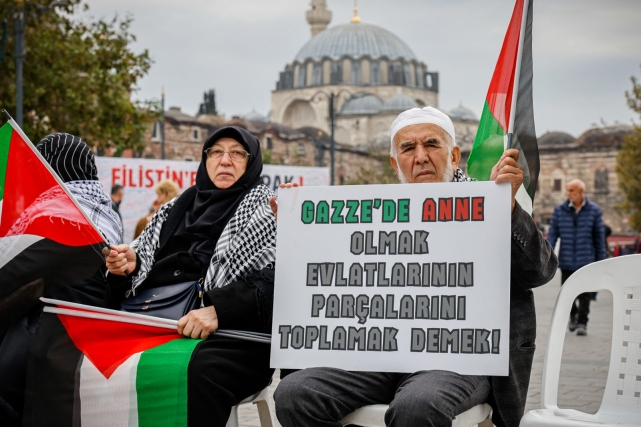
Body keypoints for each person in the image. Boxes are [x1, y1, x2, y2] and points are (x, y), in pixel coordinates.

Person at [273, 107, 558, 427]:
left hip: (455, 361)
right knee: (295, 394)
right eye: (408, 148)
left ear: (454, 156)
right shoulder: (370, 214)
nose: (420, 157)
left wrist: (508, 210)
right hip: (375, 358)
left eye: (431, 144)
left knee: (417, 406)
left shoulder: (488, 204)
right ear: (395, 163)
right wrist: (298, 229)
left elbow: (540, 271)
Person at [105, 126, 277, 426]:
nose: (225, 160)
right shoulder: (177, 207)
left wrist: (219, 309)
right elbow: (141, 264)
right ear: (205, 159)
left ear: (252, 163)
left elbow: (281, 278)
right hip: (157, 324)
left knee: (196, 371)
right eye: (216, 152)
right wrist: (130, 265)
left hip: (232, 337)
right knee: (93, 357)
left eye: (237, 153)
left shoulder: (269, 210)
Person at [0, 133, 122, 427]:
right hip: (72, 328)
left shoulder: (64, 216)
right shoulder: (99, 211)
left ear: (54, 168)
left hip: (52, 332)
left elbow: (15, 270)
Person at [547, 179, 605, 336]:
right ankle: (573, 314)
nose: (568, 193)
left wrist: (601, 261)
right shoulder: (559, 210)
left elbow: (599, 239)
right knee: (567, 292)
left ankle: (582, 323)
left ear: (581, 192)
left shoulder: (594, 211)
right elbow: (552, 235)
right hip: (566, 260)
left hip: (586, 260)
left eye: (571, 190)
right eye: (567, 190)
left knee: (585, 294)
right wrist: (547, 255)